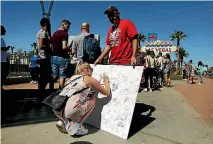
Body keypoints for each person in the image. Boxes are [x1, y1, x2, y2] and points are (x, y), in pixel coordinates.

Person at [54, 62, 110, 136]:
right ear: (86, 70)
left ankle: (62, 121)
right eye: (90, 69)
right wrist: (106, 81)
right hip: (69, 109)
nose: (91, 71)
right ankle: (77, 127)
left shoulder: (72, 78)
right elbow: (106, 92)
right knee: (92, 99)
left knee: (82, 98)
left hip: (57, 107)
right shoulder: (89, 78)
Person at [51, 19, 71, 89]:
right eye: (67, 26)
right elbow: (64, 46)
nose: (68, 28)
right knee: (62, 75)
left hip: (53, 57)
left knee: (54, 75)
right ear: (63, 25)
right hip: (61, 57)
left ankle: (51, 89)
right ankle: (60, 92)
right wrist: (70, 49)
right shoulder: (64, 34)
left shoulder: (54, 33)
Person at [36, 18, 54, 96]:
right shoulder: (43, 32)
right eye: (49, 24)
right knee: (44, 77)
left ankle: (41, 93)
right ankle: (41, 94)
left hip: (44, 57)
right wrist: (50, 50)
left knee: (45, 77)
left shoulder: (44, 32)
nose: (50, 26)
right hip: (44, 58)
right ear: (46, 24)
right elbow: (41, 45)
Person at [1, 25, 11, 89]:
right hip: (1, 61)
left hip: (3, 60)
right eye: (4, 29)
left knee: (3, 76)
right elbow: (2, 48)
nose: (5, 31)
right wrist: (7, 48)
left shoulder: (2, 39)